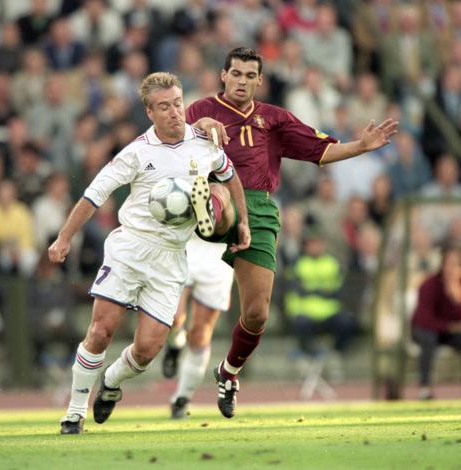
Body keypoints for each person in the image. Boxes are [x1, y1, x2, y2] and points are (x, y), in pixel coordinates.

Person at [188, 46, 398, 418]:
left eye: (250, 76)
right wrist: (199, 128)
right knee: (217, 193)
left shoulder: (274, 119)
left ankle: (229, 372)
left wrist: (362, 147)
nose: (242, 82)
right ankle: (213, 214)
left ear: (260, 80)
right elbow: (172, 141)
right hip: (211, 193)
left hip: (259, 208)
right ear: (223, 75)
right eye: (235, 74)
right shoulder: (200, 111)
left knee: (257, 314)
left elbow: (320, 150)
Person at [48, 72, 250, 435]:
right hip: (131, 247)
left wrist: (243, 222)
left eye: (177, 103)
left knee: (148, 349)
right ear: (149, 112)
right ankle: (74, 413)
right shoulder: (136, 153)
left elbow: (230, 174)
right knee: (101, 330)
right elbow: (95, 195)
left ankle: (111, 381)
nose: (174, 112)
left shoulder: (204, 144)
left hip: (172, 255)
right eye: (164, 107)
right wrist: (64, 238)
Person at [161, 233, 234, 419]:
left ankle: (182, 398)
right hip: (184, 243)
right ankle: (175, 343)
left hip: (219, 253)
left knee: (200, 334)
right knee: (173, 317)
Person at [411, 246, 461, 400]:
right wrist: (452, 327)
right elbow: (424, 320)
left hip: (452, 333)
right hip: (429, 330)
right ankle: (425, 387)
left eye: (457, 264)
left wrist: (460, 300)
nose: (452, 269)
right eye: (449, 264)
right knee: (428, 338)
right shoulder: (429, 285)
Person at [283, 227, 358, 359]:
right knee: (301, 325)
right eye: (311, 244)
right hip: (305, 312)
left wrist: (316, 293)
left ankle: (337, 353)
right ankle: (310, 354)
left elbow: (340, 290)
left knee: (346, 323)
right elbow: (292, 292)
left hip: (330, 312)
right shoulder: (297, 264)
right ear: (306, 246)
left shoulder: (333, 264)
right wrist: (294, 312)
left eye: (318, 243)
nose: (315, 247)